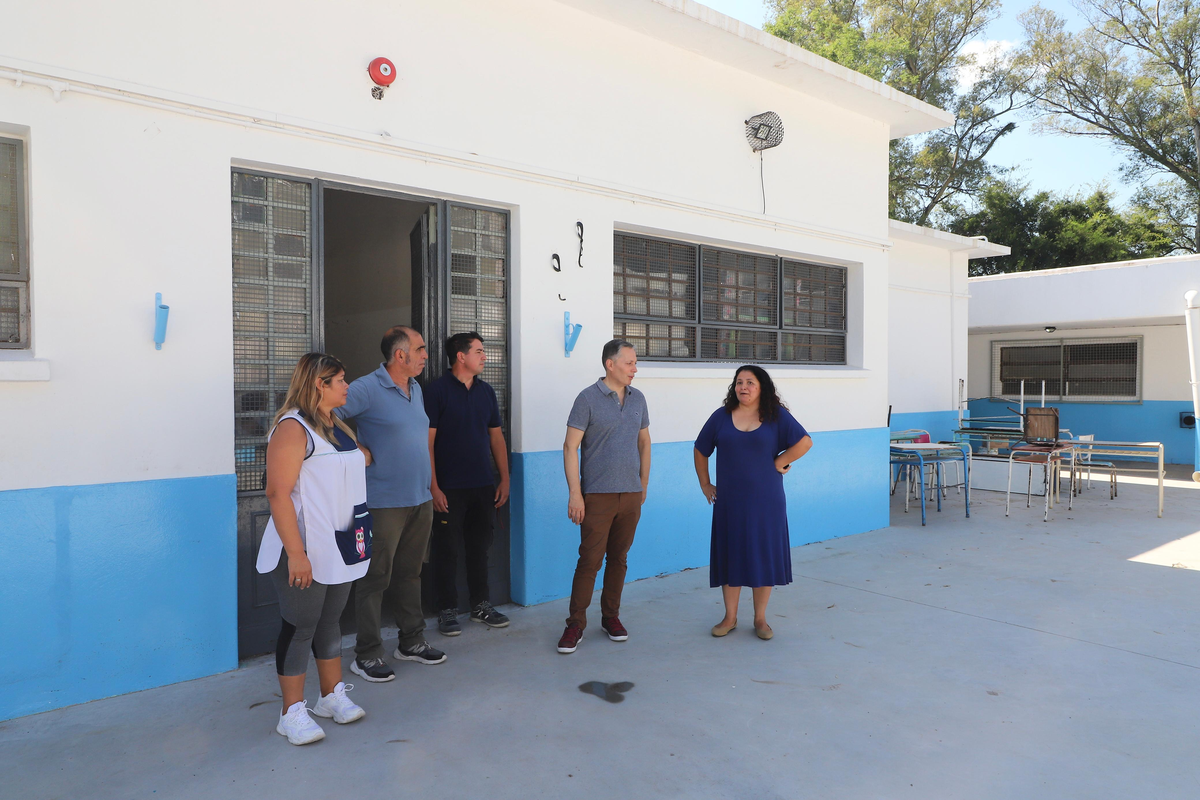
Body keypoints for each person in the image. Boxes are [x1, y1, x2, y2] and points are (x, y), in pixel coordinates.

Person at [256, 352, 373, 745]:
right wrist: (296, 553)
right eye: (340, 379)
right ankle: (291, 714)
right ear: (319, 384)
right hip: (304, 545)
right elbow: (277, 493)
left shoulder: (337, 426)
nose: (347, 386)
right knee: (300, 624)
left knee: (330, 621)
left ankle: (330, 697)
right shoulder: (293, 428)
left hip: (340, 541)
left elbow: (352, 464)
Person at [338, 326, 445, 683]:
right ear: (400, 355)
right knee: (374, 579)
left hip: (419, 498)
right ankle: (366, 654)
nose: (425, 355)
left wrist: (430, 487)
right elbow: (325, 412)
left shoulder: (415, 389)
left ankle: (411, 641)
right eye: (420, 349)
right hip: (384, 502)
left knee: (409, 574)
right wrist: (356, 448)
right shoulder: (367, 387)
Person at [693, 365, 813, 641]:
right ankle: (730, 617)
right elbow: (701, 449)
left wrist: (781, 461)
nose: (743, 387)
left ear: (762, 388)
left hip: (766, 502)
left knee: (763, 556)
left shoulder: (776, 416)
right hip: (729, 503)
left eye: (750, 382)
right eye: (739, 382)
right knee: (731, 554)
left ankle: (760, 619)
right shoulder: (721, 417)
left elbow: (805, 442)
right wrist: (705, 484)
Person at [557, 339, 651, 655]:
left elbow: (645, 443)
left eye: (635, 363)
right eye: (629, 363)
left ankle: (611, 617)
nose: (634, 369)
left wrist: (644, 484)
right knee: (590, 561)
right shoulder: (587, 399)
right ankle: (575, 624)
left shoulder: (638, 399)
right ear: (610, 364)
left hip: (631, 494)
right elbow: (570, 447)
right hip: (597, 495)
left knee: (619, 559)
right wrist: (575, 494)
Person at [426, 332, 511, 635]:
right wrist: (433, 486)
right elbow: (428, 443)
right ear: (460, 357)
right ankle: (447, 609)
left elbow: (496, 437)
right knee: (446, 549)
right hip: (449, 487)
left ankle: (481, 605)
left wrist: (504, 478)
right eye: (478, 351)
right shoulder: (436, 391)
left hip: (482, 485)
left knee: (479, 547)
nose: (484, 356)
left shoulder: (486, 392)